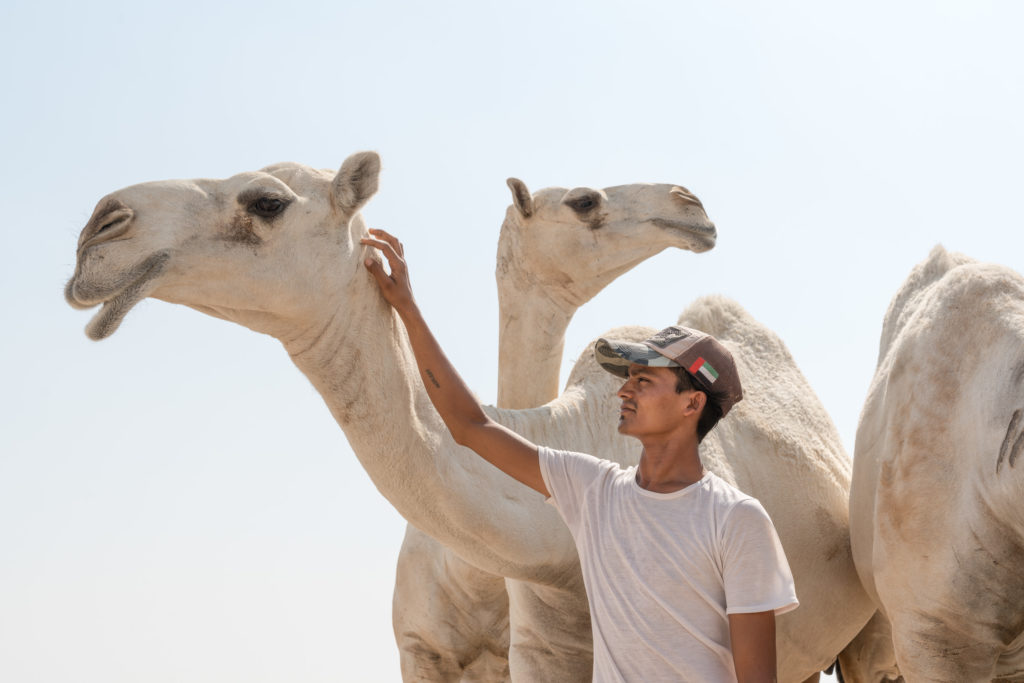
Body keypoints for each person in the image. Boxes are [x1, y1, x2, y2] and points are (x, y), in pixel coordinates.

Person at [360, 228, 798, 683]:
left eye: (644, 381)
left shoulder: (737, 520)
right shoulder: (594, 491)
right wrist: (408, 310)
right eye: (627, 377)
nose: (624, 390)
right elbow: (470, 426)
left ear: (692, 403)